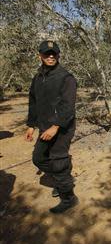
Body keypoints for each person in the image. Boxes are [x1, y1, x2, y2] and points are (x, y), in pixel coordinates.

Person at [25, 40, 78, 213]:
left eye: (53, 53)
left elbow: (67, 106)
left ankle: (69, 198)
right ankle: (63, 178)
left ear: (58, 55)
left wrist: (55, 126)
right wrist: (31, 125)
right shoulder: (38, 77)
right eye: (46, 53)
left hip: (62, 128)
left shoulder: (66, 78)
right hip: (44, 126)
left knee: (58, 160)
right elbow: (33, 101)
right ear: (39, 55)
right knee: (38, 158)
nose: (50, 56)